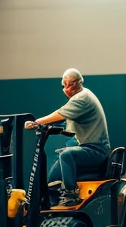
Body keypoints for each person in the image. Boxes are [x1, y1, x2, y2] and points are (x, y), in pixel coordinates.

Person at [24, 68, 110, 207]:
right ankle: (50, 203)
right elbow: (66, 121)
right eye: (63, 85)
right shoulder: (81, 97)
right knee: (53, 175)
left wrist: (37, 122)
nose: (65, 89)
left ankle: (71, 195)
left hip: (96, 150)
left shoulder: (82, 98)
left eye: (68, 85)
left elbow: (60, 114)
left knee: (66, 155)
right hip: (87, 147)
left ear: (77, 83)